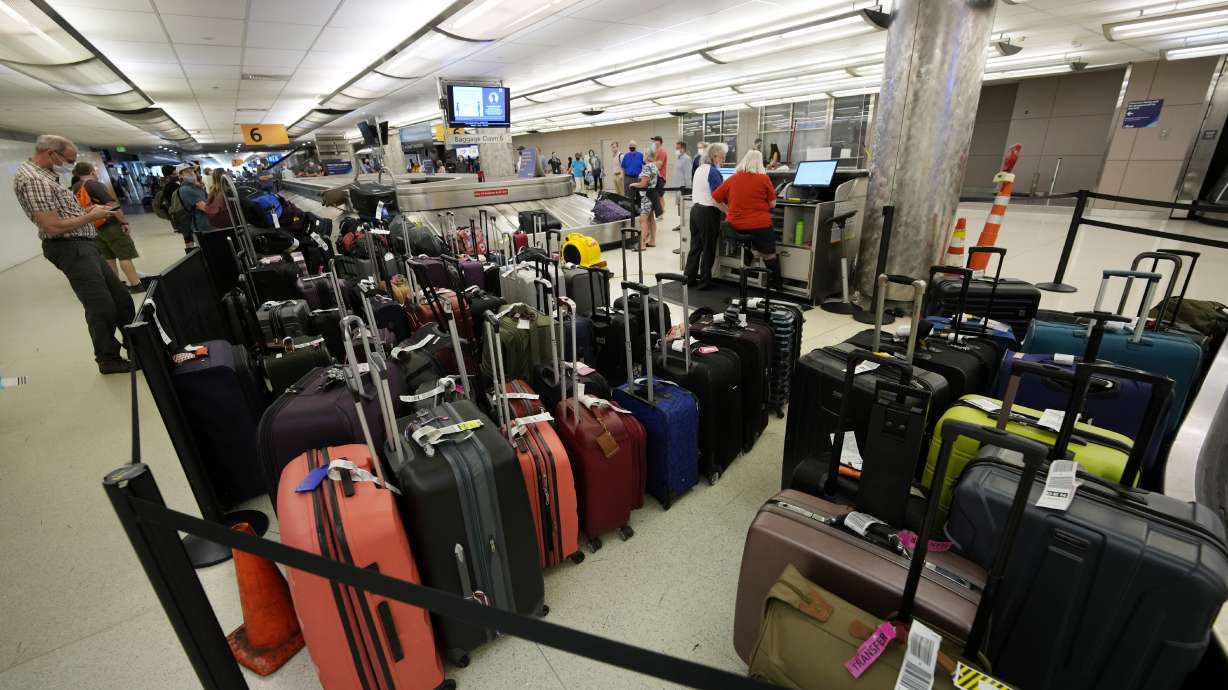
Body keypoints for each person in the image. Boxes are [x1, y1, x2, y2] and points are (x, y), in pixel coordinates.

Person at [13, 135, 135, 374]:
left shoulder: (48, 177)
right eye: (68, 160)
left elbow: (62, 213)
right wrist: (90, 216)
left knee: (121, 299)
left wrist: (88, 210)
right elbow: (52, 226)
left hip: (85, 244)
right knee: (101, 306)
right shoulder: (34, 179)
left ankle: (138, 347)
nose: (70, 164)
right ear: (51, 154)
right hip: (70, 247)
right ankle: (107, 358)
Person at [712, 149, 781, 290]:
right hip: (759, 225)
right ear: (760, 163)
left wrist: (728, 211)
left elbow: (715, 199)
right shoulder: (764, 179)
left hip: (735, 226)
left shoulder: (733, 178)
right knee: (770, 254)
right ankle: (776, 283)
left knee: (751, 236)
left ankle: (750, 253)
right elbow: (773, 204)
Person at [70, 162, 142, 293]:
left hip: (94, 226)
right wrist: (124, 222)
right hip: (110, 225)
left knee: (109, 257)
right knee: (124, 255)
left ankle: (117, 287)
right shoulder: (95, 185)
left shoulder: (74, 187)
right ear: (91, 172)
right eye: (95, 171)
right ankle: (136, 284)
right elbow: (112, 206)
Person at [684, 142, 728, 289]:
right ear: (714, 156)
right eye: (722, 158)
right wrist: (729, 211)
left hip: (695, 210)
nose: (723, 161)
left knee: (695, 246)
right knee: (708, 247)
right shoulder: (714, 172)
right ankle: (705, 281)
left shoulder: (699, 169)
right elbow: (717, 197)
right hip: (708, 212)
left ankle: (688, 278)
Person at [172, 163, 210, 249]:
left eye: (192, 170)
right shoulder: (186, 189)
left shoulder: (196, 186)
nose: (191, 173)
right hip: (201, 227)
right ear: (180, 175)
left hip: (208, 224)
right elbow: (206, 208)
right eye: (187, 171)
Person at [629, 159, 659, 250]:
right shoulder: (654, 166)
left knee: (643, 220)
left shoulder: (647, 167)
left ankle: (641, 244)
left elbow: (643, 183)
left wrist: (633, 184)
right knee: (651, 218)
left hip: (646, 197)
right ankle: (652, 241)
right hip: (653, 195)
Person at [671, 141, 693, 231]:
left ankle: (685, 225)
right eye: (676, 148)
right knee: (680, 206)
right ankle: (681, 224)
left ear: (683, 149)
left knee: (684, 206)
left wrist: (688, 188)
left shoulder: (687, 159)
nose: (676, 150)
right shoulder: (678, 159)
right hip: (677, 187)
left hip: (683, 187)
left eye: (678, 148)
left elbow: (688, 175)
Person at [650, 136, 668, 217]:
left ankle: (661, 213)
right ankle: (660, 212)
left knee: (660, 196)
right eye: (653, 141)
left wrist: (649, 164)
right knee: (657, 195)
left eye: (655, 141)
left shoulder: (662, 152)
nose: (654, 143)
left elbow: (659, 165)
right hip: (654, 176)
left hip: (660, 177)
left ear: (660, 142)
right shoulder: (654, 152)